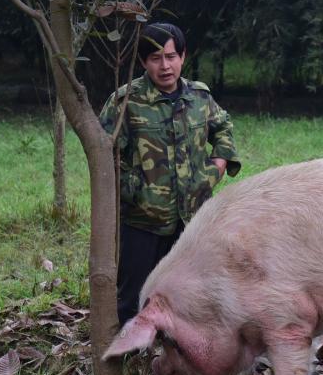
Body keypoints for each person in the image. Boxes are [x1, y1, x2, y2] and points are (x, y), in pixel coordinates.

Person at [99, 23, 241, 326]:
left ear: (183, 56)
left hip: (192, 218)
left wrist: (214, 169)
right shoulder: (125, 102)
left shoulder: (199, 97)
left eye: (171, 56)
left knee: (189, 292)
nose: (165, 66)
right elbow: (103, 153)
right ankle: (128, 358)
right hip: (142, 220)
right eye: (155, 58)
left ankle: (179, 355)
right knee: (133, 297)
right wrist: (131, 189)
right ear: (142, 62)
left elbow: (223, 127)